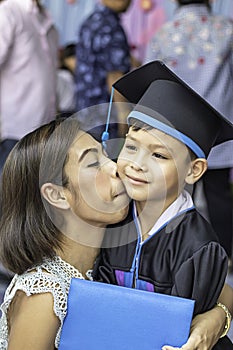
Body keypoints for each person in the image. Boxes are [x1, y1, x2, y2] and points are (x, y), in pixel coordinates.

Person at [96, 61, 233, 349]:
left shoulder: (198, 246)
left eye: (159, 156)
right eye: (131, 146)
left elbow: (181, 329)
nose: (136, 164)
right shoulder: (112, 217)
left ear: (193, 171)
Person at [0, 117, 129, 349]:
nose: (115, 167)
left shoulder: (110, 261)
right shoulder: (44, 295)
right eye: (93, 163)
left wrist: (214, 319)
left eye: (106, 154)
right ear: (57, 195)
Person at [144, 0, 233, 261]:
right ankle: (223, 258)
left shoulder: (163, 33)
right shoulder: (227, 30)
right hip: (218, 132)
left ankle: (172, 258)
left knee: (174, 197)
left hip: (176, 132)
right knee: (219, 198)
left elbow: (153, 85)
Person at [0, 0, 58, 176]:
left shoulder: (48, 21)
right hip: (15, 129)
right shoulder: (9, 13)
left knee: (26, 197)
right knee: (8, 196)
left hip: (43, 131)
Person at [75, 0, 132, 140]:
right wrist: (124, 117)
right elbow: (115, 76)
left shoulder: (90, 21)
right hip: (106, 118)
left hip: (84, 113)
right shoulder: (110, 26)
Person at [57, 43, 76, 116]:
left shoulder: (75, 76)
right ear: (66, 60)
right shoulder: (62, 76)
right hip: (64, 114)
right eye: (74, 57)